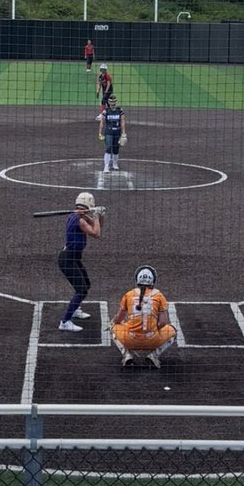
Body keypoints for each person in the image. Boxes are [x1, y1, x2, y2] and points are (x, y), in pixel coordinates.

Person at [110, 266, 177, 369]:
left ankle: (127, 355)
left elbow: (118, 319)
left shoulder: (128, 295)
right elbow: (163, 322)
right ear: (153, 280)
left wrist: (116, 321)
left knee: (112, 327)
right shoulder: (159, 295)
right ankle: (153, 356)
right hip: (152, 340)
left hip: (130, 339)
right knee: (173, 331)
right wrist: (155, 329)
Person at [57, 191, 104, 332]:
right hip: (68, 260)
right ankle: (65, 322)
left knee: (86, 285)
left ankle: (75, 309)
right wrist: (95, 215)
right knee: (81, 289)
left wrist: (99, 216)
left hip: (73, 258)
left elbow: (98, 225)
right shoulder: (80, 220)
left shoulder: (77, 216)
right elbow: (96, 233)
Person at [99, 96, 126, 172]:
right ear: (109, 102)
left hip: (117, 132)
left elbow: (122, 121)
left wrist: (123, 133)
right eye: (111, 102)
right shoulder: (106, 111)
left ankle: (115, 164)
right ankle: (106, 166)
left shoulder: (120, 111)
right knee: (108, 148)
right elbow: (102, 122)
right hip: (109, 132)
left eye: (114, 101)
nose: (113, 103)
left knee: (116, 149)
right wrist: (100, 132)